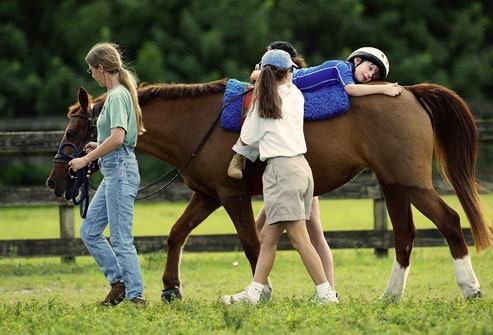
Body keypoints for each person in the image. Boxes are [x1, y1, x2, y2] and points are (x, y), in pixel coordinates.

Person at [222, 49, 338, 304]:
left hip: (280, 172)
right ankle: (254, 294)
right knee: (267, 239)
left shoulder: (261, 105)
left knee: (300, 239)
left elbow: (249, 138)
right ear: (288, 72)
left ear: (263, 73)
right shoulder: (295, 95)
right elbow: (280, 84)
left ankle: (326, 294)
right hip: (302, 170)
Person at [68, 42, 146, 306]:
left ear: (101, 68)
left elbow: (118, 137)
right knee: (89, 230)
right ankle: (119, 283)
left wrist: (85, 159)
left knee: (122, 239)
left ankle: (135, 297)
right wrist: (96, 145)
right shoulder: (119, 94)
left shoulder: (116, 95)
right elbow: (112, 139)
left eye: (91, 70)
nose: (91, 74)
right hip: (114, 169)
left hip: (120, 170)